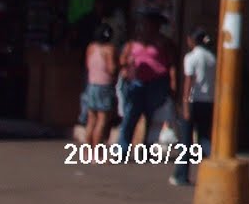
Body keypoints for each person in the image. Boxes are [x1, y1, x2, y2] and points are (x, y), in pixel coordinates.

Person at [118, 11, 178, 155]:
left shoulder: (163, 42)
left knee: (152, 118)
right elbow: (122, 59)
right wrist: (127, 65)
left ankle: (147, 148)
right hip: (136, 83)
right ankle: (122, 149)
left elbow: (172, 64)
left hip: (157, 83)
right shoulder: (133, 42)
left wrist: (173, 84)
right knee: (130, 115)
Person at [172, 28, 216, 186]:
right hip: (208, 102)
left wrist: (184, 103)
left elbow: (189, 81)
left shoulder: (191, 57)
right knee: (204, 138)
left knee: (186, 141)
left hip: (193, 101)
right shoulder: (212, 58)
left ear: (192, 40)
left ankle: (181, 175)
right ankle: (210, 171)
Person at [81, 24, 118, 147]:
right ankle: (97, 151)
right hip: (104, 85)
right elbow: (111, 69)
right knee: (102, 120)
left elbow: (87, 64)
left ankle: (87, 151)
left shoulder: (91, 47)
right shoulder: (109, 49)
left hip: (91, 85)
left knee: (91, 120)